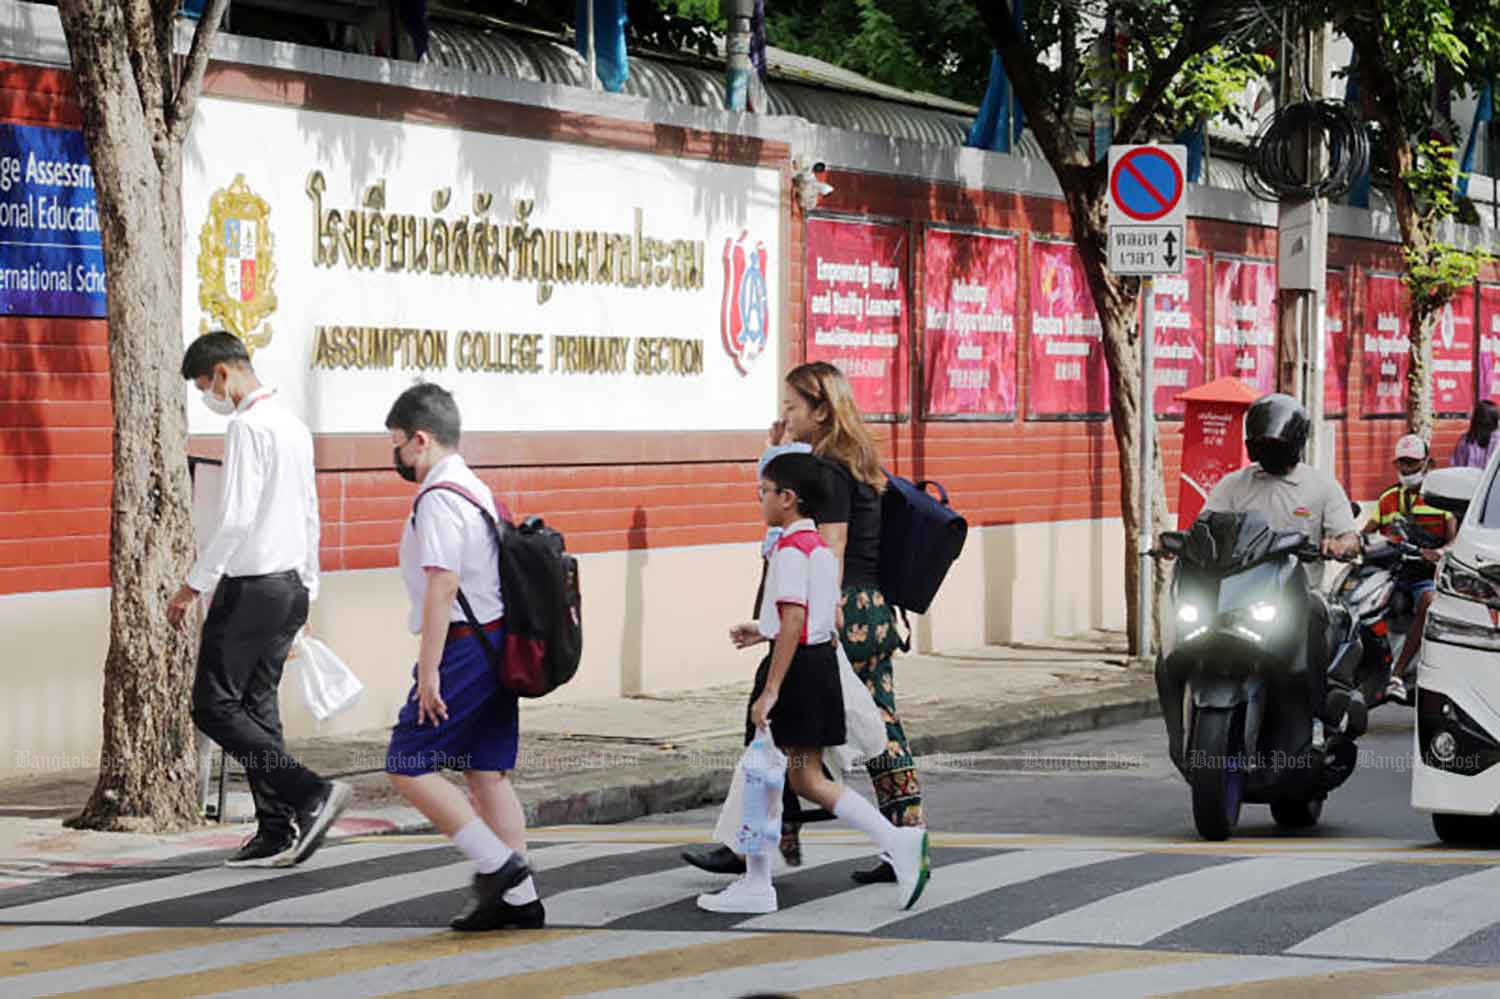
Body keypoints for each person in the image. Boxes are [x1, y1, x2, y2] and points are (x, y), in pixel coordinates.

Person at [683, 361, 922, 886]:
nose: (785, 413)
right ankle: (905, 831)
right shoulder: (854, 462)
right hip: (872, 608)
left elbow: (829, 545)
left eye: (793, 405)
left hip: (845, 612)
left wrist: (818, 614)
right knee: (871, 726)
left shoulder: (829, 470)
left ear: (820, 408)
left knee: (776, 723)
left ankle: (757, 845)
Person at [170, 331, 350, 868]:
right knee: (256, 704)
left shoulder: (247, 427)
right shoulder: (294, 427)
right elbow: (311, 514)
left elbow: (236, 519)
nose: (209, 396)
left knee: (212, 705)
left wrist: (193, 584)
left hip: (250, 587)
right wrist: (308, 592)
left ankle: (310, 792)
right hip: (290, 585)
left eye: (206, 385)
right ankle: (276, 827)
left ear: (223, 373)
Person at [381, 383, 543, 932]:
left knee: (407, 762)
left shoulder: (439, 498)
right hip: (498, 642)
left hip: (465, 647)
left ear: (420, 440)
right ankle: (521, 900)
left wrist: (428, 670)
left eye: (398, 444)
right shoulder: (474, 487)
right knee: (487, 773)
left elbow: (442, 584)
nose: (397, 456)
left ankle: (498, 866)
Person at [1362, 434, 1456, 702]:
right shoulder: (1389, 497)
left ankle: (1397, 673)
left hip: (1423, 577)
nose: (1406, 469)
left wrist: (1437, 553)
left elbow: (1454, 539)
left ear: (1427, 463)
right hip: (1390, 574)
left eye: (1412, 464)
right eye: (1402, 463)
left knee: (1428, 600)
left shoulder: (1441, 499)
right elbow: (1367, 533)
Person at [1451, 400, 1500, 470]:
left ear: (1475, 418)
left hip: (1468, 479)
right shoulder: (1497, 441)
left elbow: (1456, 467)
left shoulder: (1465, 440)